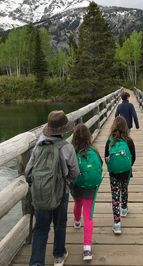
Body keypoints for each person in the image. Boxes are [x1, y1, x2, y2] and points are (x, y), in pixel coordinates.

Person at [25, 110, 79, 266]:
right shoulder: (67, 148)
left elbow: (28, 172)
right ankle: (58, 256)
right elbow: (75, 173)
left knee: (41, 229)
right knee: (60, 225)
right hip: (61, 193)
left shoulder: (38, 146)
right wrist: (67, 183)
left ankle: (36, 262)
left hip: (41, 194)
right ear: (63, 130)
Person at [71, 123, 103, 261]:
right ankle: (87, 249)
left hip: (77, 185)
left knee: (78, 203)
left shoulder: (72, 151)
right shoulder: (94, 151)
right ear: (89, 137)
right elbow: (101, 164)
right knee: (88, 215)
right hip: (91, 186)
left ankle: (77, 222)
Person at [105, 116, 136, 234]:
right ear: (125, 127)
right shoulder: (129, 141)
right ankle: (124, 208)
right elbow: (134, 157)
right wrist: (127, 166)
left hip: (113, 173)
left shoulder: (110, 141)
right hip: (126, 171)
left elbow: (106, 156)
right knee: (124, 188)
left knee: (115, 196)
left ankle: (117, 223)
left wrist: (111, 168)